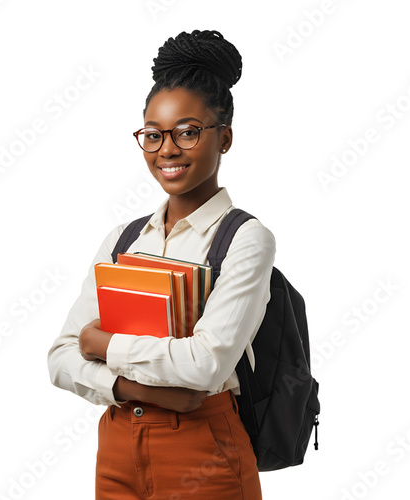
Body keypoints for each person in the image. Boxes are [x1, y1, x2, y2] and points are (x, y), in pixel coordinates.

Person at [47, 29, 276, 499]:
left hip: (203, 453)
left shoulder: (246, 239)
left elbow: (206, 366)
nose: (166, 150)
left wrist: (103, 344)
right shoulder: (125, 239)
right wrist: (144, 390)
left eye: (187, 131)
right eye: (153, 135)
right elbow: (60, 357)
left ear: (225, 137)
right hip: (114, 448)